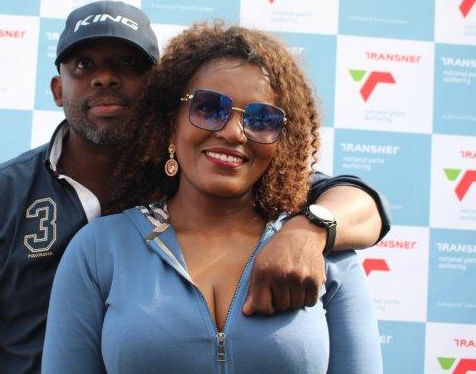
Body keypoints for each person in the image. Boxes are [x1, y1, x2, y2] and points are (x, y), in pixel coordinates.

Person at [0, 1, 389, 372]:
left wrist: (309, 231)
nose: (104, 77)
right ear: (57, 89)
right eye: (83, 65)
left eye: (127, 63)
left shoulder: (268, 199)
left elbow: (361, 203)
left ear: (155, 91)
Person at [42, 22, 382, 373]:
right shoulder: (99, 250)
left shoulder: (321, 251)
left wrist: (307, 234)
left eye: (262, 118)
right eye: (208, 108)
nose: (233, 133)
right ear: (171, 123)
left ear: (281, 140)